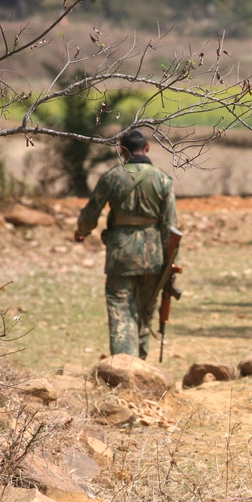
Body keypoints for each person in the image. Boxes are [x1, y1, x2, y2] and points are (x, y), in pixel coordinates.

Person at [74, 129, 178, 359]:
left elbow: (91, 213)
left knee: (121, 312)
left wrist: (81, 232)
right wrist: (171, 265)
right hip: (154, 257)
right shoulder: (162, 179)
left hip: (120, 255)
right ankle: (140, 366)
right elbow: (170, 228)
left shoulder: (112, 177)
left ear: (122, 150)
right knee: (145, 311)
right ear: (147, 147)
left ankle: (123, 367)